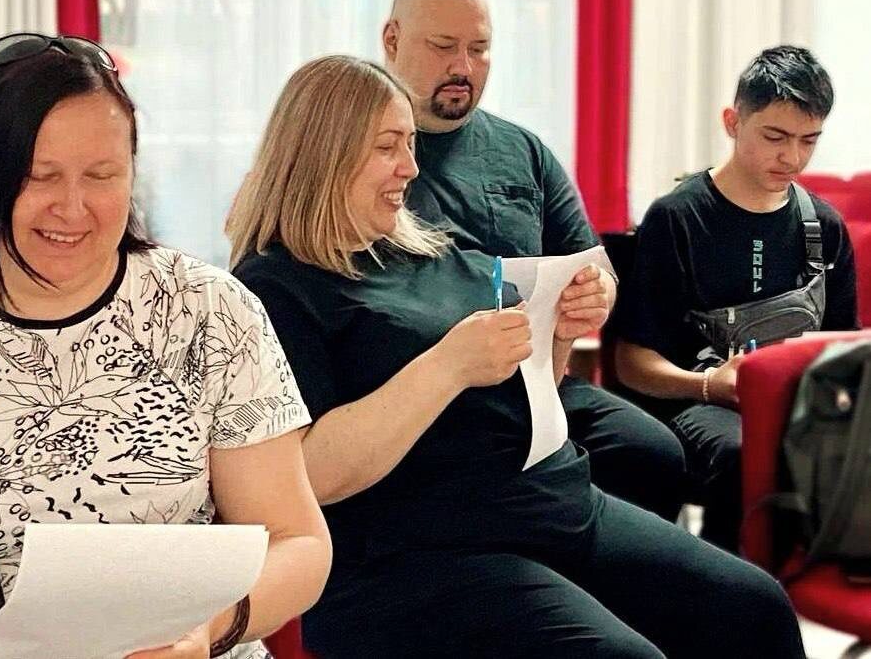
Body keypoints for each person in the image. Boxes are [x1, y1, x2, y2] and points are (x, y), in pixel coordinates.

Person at [227, 53, 804, 658]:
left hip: (551, 504)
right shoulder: (274, 289)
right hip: (420, 551)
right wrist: (448, 365)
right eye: (387, 147)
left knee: (755, 606)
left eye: (411, 143)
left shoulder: (429, 249)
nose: (411, 167)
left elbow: (531, 389)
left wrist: (559, 332)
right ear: (324, 154)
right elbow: (309, 476)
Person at [0, 33, 331, 659]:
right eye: (38, 177)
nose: (73, 209)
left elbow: (298, 543)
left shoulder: (209, 311)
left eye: (102, 176)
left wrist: (213, 628)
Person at [382, 0, 686, 521]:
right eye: (443, 46)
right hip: (424, 395)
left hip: (536, 381)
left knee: (652, 454)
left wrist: (594, 295)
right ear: (392, 40)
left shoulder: (522, 150)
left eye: (479, 49)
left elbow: (595, 267)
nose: (463, 67)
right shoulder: (363, 156)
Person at [615, 45, 858, 552]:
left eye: (809, 140)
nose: (792, 157)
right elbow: (631, 363)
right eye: (775, 137)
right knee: (746, 454)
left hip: (796, 404)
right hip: (696, 400)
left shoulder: (825, 227)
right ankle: (724, 580)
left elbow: (844, 352)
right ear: (733, 122)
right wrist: (708, 385)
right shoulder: (677, 218)